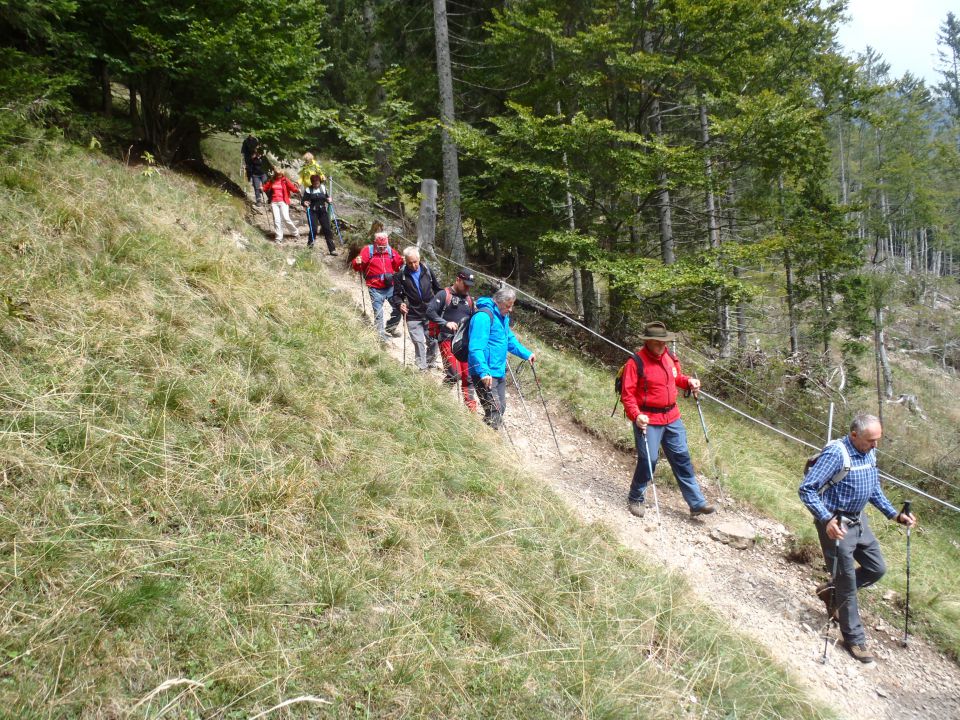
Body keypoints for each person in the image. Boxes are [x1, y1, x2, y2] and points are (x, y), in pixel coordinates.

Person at [798, 413, 916, 664]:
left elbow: (873, 488)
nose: (875, 445)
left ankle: (833, 591)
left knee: (877, 568)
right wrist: (826, 519)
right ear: (854, 435)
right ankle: (854, 638)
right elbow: (806, 489)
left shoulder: (869, 453)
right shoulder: (836, 454)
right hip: (836, 525)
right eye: (871, 440)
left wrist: (894, 514)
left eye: (878, 440)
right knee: (848, 581)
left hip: (859, 521)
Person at [619, 321, 715, 518]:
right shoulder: (635, 363)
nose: (662, 345)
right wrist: (636, 416)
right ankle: (636, 497)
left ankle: (696, 502)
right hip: (648, 418)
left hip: (672, 417)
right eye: (658, 342)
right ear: (648, 342)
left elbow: (676, 378)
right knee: (649, 460)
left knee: (682, 458)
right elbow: (627, 395)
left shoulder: (670, 357)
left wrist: (689, 382)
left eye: (664, 342)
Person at [467, 287, 535, 428]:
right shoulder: (483, 317)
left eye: (511, 306)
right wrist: (483, 371)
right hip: (485, 373)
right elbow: (475, 348)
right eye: (508, 306)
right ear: (498, 302)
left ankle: (483, 434)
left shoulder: (503, 316)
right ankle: (487, 442)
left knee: (500, 408)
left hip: (498, 371)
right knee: (494, 411)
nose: (510, 310)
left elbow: (509, 339)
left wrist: (526, 354)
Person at [426, 268, 477, 410]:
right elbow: (430, 311)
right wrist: (445, 323)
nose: (467, 288)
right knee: (454, 374)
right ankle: (436, 400)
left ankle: (471, 410)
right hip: (447, 339)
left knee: (468, 376)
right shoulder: (444, 294)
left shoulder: (469, 300)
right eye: (465, 284)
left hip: (463, 343)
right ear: (457, 280)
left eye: (470, 285)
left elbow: (473, 320)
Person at [390, 247, 442, 371]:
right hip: (412, 314)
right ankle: (422, 369)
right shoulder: (400, 276)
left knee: (433, 341)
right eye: (410, 263)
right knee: (418, 343)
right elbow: (396, 295)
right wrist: (399, 304)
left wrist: (442, 302)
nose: (413, 265)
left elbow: (437, 288)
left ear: (419, 259)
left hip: (429, 312)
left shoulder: (427, 270)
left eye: (415, 262)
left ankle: (430, 362)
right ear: (405, 262)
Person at [352, 231, 403, 342]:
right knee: (378, 313)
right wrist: (357, 262)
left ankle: (391, 328)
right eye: (380, 247)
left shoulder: (391, 251)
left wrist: (402, 260)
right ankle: (380, 337)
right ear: (375, 243)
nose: (382, 249)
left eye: (384, 246)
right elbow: (357, 267)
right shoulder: (367, 251)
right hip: (375, 288)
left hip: (390, 287)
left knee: (398, 308)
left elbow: (397, 266)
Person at [261, 170, 300, 243]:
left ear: (282, 174)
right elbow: (266, 187)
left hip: (283, 201)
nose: (279, 175)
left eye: (281, 174)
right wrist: (262, 188)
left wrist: (297, 190)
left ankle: (295, 233)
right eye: (278, 174)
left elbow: (292, 188)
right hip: (274, 202)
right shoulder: (272, 180)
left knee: (286, 218)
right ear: (275, 174)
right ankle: (278, 237)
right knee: (277, 220)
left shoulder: (285, 180)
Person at [301, 174, 336, 254]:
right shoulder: (308, 190)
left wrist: (329, 200)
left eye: (317, 183)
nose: (316, 185)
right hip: (312, 211)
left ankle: (332, 249)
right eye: (315, 183)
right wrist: (304, 203)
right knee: (313, 229)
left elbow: (326, 198)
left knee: (327, 229)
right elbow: (303, 201)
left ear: (319, 182)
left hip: (322, 211)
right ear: (312, 183)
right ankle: (309, 248)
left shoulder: (323, 188)